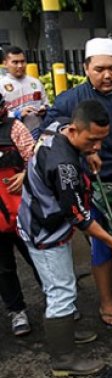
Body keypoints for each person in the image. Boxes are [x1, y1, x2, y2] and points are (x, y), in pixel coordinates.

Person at [17, 100, 112, 376]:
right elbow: (80, 217)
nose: (97, 147)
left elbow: (68, 136)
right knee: (61, 291)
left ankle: (64, 331)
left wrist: (87, 152)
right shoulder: (64, 169)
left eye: (102, 140)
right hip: (44, 231)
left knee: (60, 282)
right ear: (74, 130)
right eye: (92, 140)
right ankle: (63, 358)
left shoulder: (57, 128)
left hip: (39, 217)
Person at [43, 37, 112, 328]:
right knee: (102, 246)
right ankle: (107, 303)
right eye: (99, 69)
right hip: (94, 184)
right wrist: (88, 153)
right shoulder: (70, 100)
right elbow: (48, 132)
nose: (107, 75)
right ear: (86, 68)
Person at [0, 93, 39, 336]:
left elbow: (36, 158)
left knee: (38, 258)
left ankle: (57, 302)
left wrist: (25, 174)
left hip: (22, 211)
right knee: (3, 268)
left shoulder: (15, 128)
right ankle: (17, 311)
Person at [0, 46, 49, 139]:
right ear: (5, 63)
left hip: (37, 132)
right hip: (13, 137)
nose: (20, 65)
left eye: (22, 61)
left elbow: (45, 104)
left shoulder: (36, 82)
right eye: (15, 62)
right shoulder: (1, 86)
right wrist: (17, 114)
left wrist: (43, 110)